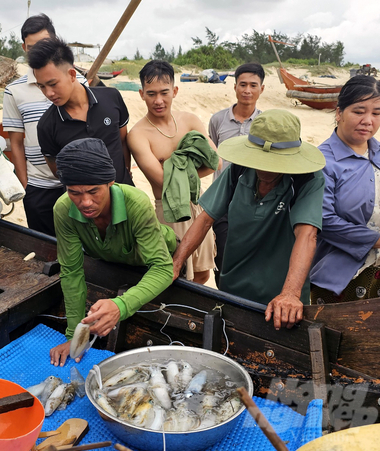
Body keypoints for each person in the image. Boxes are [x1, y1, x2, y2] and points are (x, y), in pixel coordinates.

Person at [172, 110, 326, 330]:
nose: (264, 168)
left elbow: (307, 234)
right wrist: (177, 262)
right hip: (233, 284)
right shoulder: (239, 170)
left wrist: (290, 293)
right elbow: (205, 218)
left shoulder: (308, 179)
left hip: (281, 296)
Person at [49, 138, 176, 366]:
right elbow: (71, 273)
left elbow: (163, 268)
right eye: (74, 193)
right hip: (114, 262)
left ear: (110, 181)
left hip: (155, 261)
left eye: (93, 191)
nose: (85, 202)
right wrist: (73, 337)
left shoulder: (136, 203)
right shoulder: (63, 209)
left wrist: (121, 305)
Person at [127, 60, 219, 285]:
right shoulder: (138, 134)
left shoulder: (189, 120)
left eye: (164, 92)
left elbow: (215, 161)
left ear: (174, 91)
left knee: (202, 273)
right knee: (174, 276)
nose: (158, 101)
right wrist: (190, 165)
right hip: (168, 211)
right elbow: (163, 180)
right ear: (141, 94)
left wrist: (176, 168)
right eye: (151, 94)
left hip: (199, 205)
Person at [2, 14, 87, 236]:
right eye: (32, 47)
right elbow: (16, 142)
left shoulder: (78, 82)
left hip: (81, 184)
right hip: (39, 187)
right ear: (23, 48)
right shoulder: (14, 90)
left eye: (44, 44)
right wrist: (25, 184)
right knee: (45, 249)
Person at [310, 76, 380, 303]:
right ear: (339, 113)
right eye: (359, 111)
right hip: (338, 278)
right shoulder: (323, 162)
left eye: (376, 113)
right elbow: (324, 221)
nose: (368, 120)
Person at [30, 37, 134, 186]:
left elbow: (123, 142)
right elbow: (58, 171)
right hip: (85, 206)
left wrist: (125, 174)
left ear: (72, 75)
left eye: (53, 84)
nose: (48, 93)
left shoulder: (112, 98)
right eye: (42, 86)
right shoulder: (46, 126)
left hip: (124, 193)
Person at [208, 63, 265, 285]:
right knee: (222, 254)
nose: (247, 90)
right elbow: (213, 156)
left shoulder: (265, 123)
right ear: (235, 87)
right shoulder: (217, 120)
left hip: (255, 200)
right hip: (222, 201)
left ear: (262, 89)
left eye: (253, 85)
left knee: (252, 256)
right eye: (243, 85)